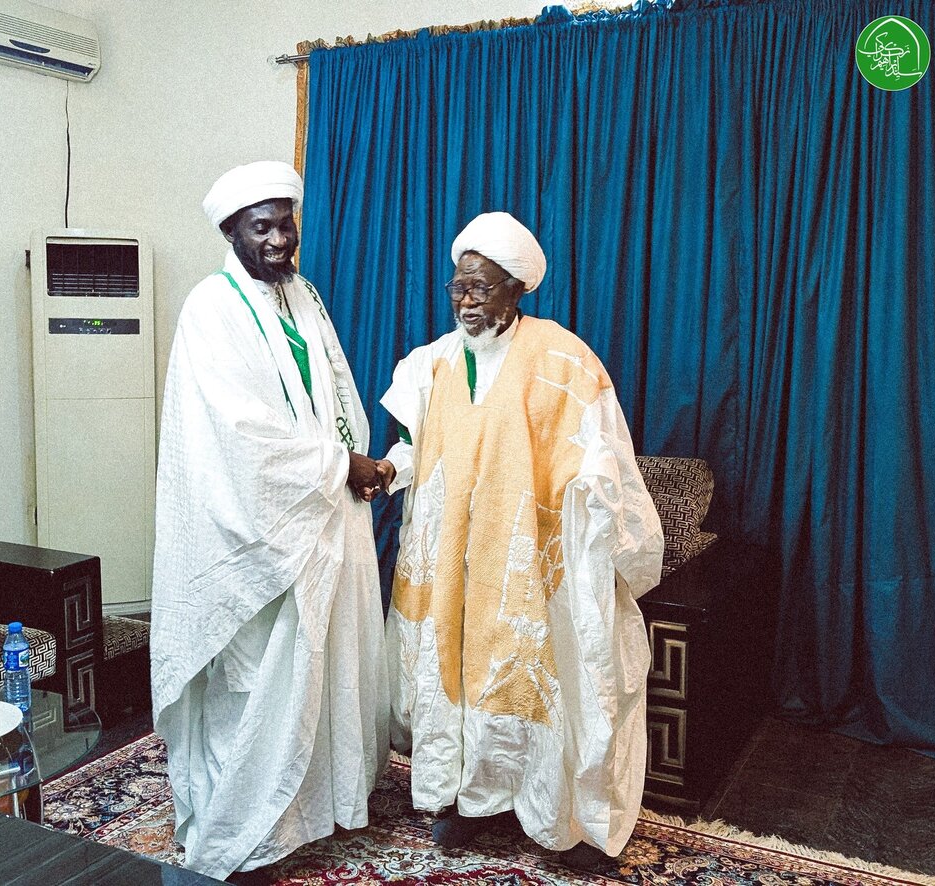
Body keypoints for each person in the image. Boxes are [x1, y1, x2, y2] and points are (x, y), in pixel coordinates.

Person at [376, 212, 663, 866]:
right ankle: (470, 801)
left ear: (516, 290)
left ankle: (565, 820)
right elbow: (418, 446)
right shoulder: (435, 363)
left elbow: (602, 453)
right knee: (457, 670)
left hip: (532, 562)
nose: (468, 300)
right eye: (459, 288)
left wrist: (593, 499)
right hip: (454, 561)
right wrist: (393, 469)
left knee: (542, 677)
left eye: (483, 287)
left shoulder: (562, 357)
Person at [150, 161, 389, 882]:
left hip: (320, 518)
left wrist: (359, 459)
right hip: (253, 531)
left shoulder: (302, 297)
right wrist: (335, 465)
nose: (281, 238)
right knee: (253, 683)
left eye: (287, 222)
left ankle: (309, 813)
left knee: (316, 676)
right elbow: (240, 434)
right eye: (264, 226)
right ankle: (240, 835)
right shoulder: (210, 308)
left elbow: (337, 390)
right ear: (232, 232)